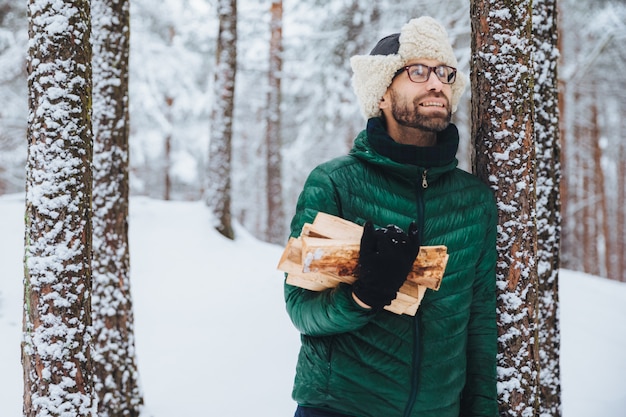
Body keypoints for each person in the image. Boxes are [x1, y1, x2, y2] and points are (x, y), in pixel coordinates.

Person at [284, 16, 498, 417]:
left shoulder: (474, 201)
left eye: (445, 73)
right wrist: (364, 296)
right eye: (418, 71)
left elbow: (481, 324)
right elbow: (301, 309)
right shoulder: (335, 184)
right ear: (381, 94)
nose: (437, 83)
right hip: (340, 407)